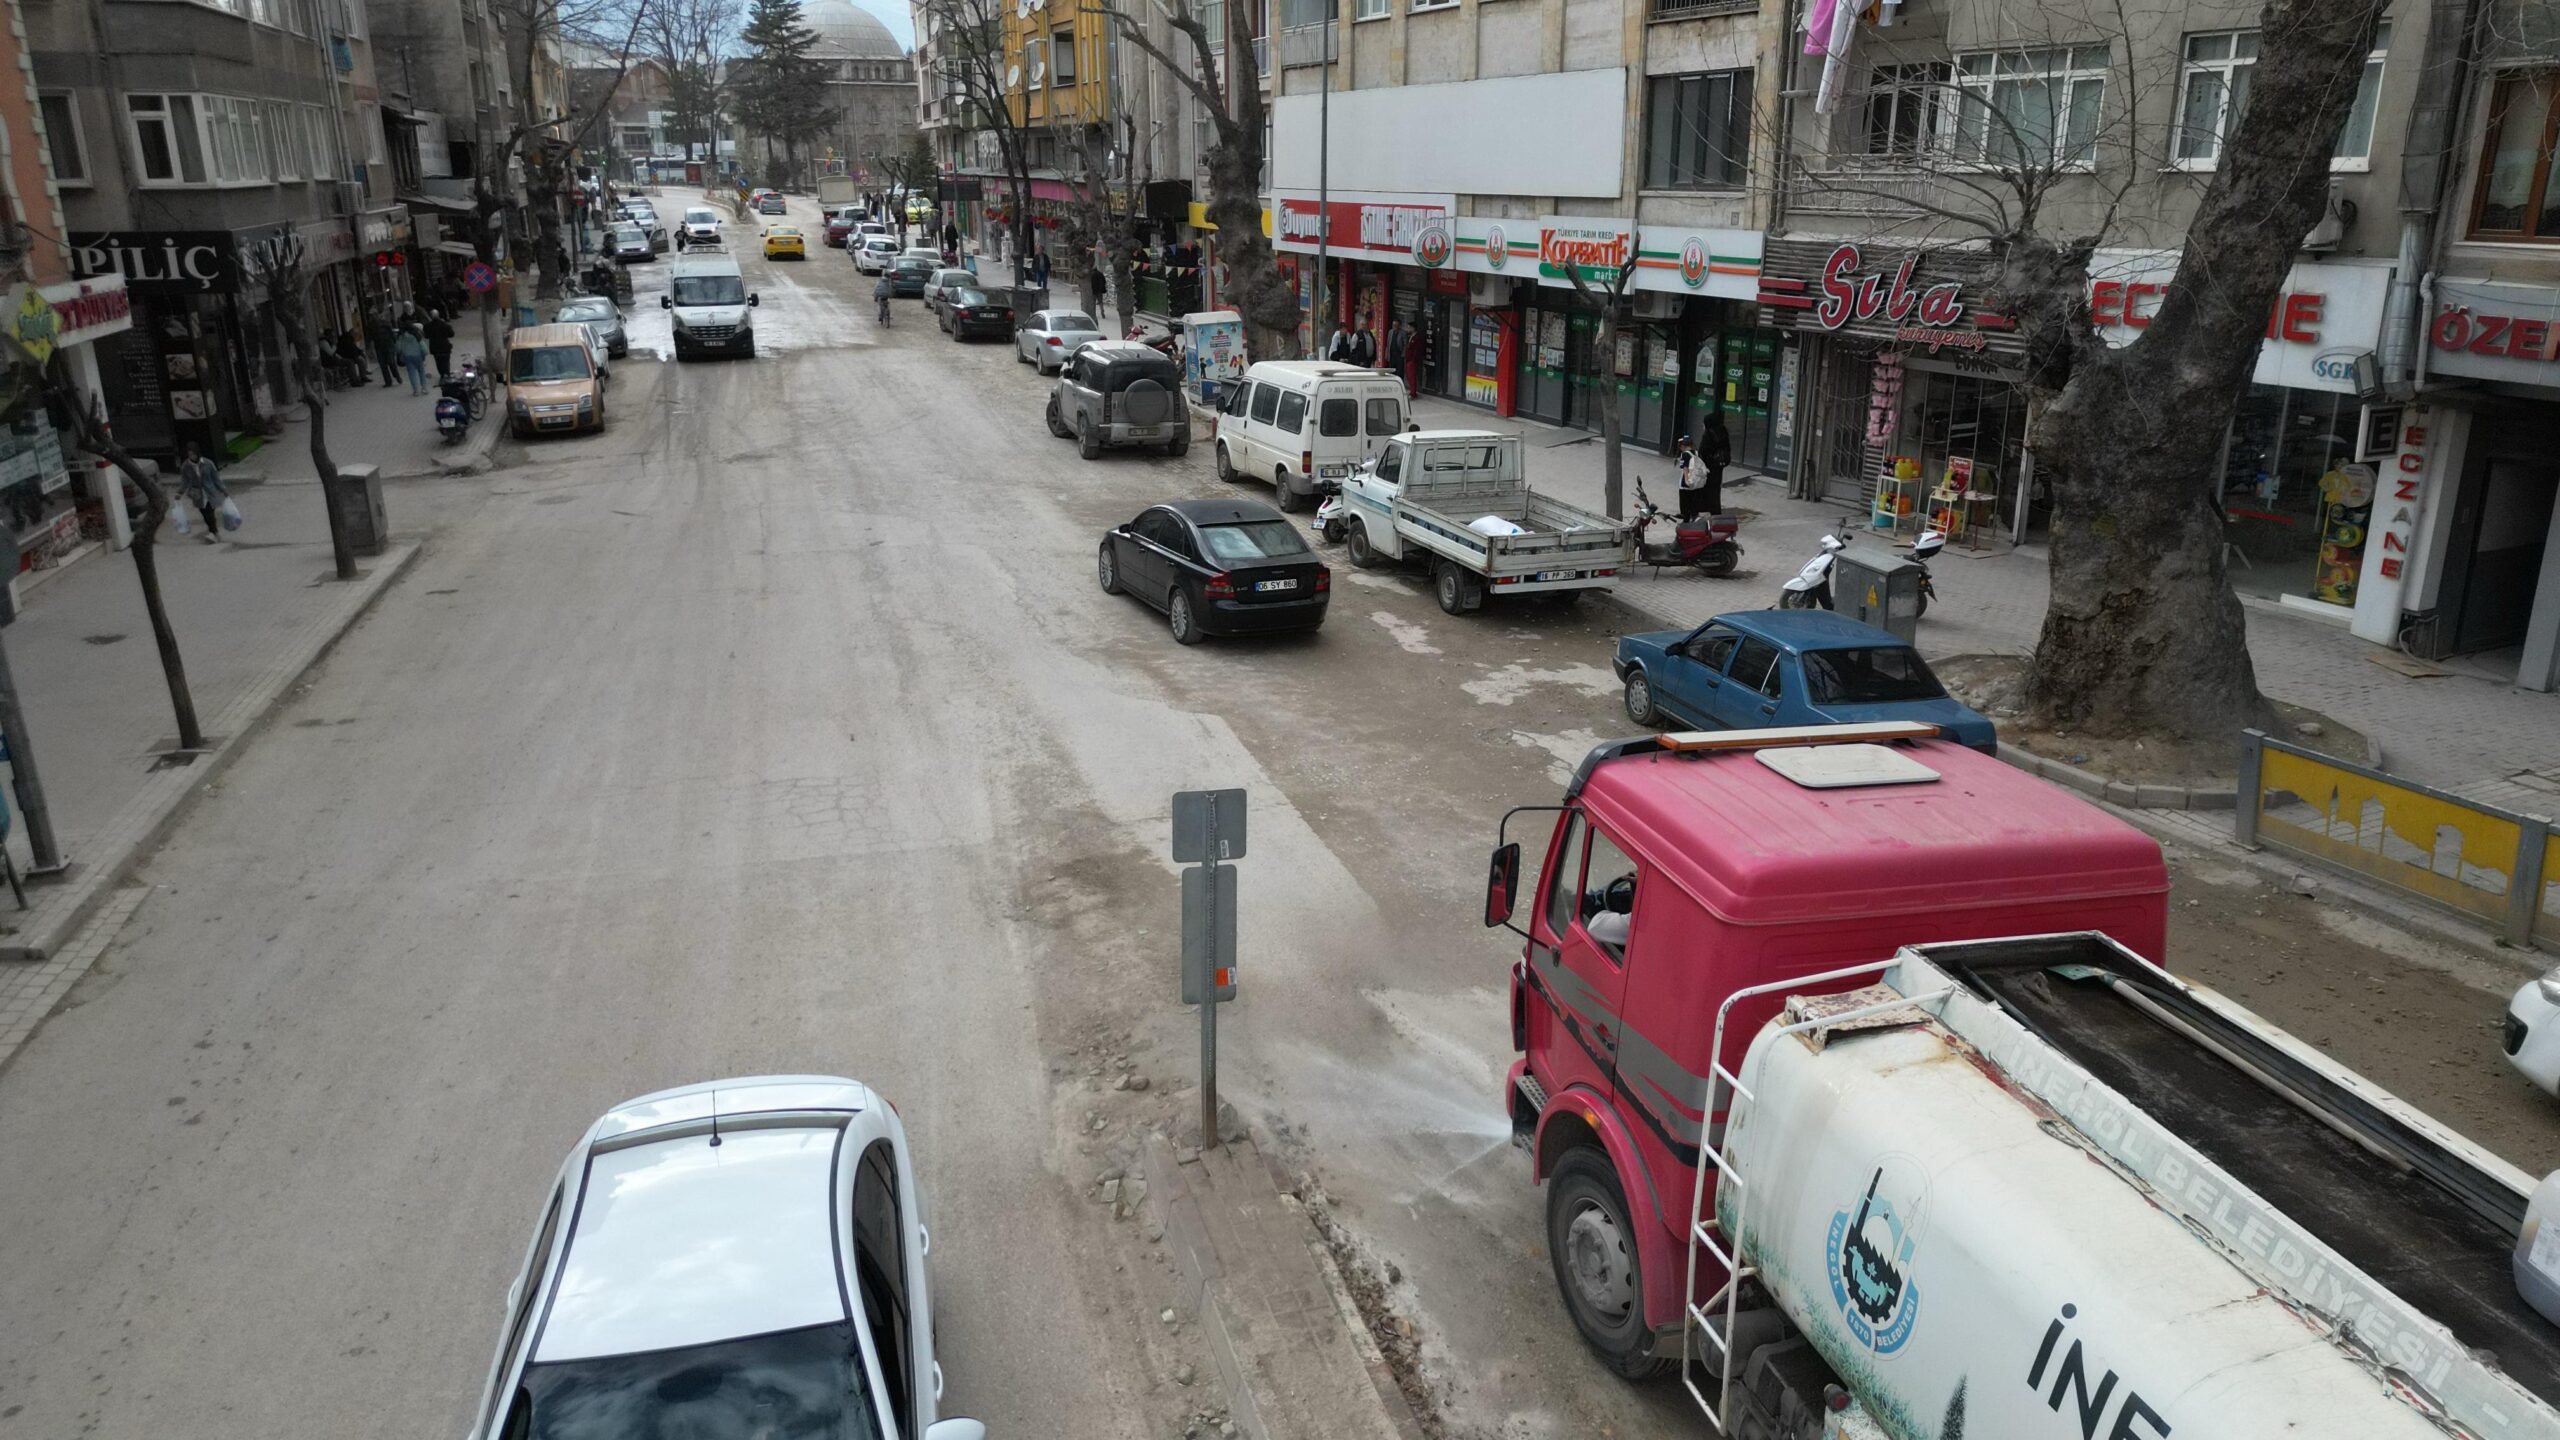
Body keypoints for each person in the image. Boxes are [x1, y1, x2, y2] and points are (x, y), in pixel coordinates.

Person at [175, 442, 226, 544]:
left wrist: (223, 489)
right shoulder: (186, 466)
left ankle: (214, 533)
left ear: (198, 453)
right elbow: (184, 481)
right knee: (205, 514)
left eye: (193, 454)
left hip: (210, 493)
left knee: (210, 513)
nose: (192, 457)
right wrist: (180, 492)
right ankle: (213, 532)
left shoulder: (208, 463)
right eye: (190, 455)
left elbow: (215, 478)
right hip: (197, 494)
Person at [394, 323, 429, 394]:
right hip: (418, 356)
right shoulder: (416, 335)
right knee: (421, 372)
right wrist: (425, 352)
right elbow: (422, 346)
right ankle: (424, 388)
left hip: (407, 356)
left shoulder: (401, 336)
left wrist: (400, 352)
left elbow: (398, 348)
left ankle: (416, 390)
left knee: (412, 374)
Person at [368, 311, 400, 388]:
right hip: (379, 347)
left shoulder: (385, 323)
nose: (373, 317)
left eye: (374, 315)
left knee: (391, 362)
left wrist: (395, 343)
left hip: (388, 345)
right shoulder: (371, 326)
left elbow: (392, 334)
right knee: (383, 365)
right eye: (371, 316)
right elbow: (370, 338)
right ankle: (388, 381)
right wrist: (372, 350)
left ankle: (396, 375)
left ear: (377, 315)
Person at [424, 310, 455, 382]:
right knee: (446, 361)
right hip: (445, 346)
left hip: (435, 347)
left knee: (438, 362)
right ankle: (446, 374)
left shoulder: (428, 326)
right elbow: (452, 334)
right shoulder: (445, 325)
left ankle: (442, 374)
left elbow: (426, 336)